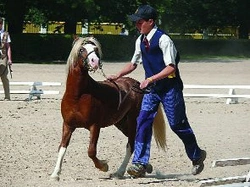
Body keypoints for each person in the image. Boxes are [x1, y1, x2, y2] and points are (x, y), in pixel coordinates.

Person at [108, 5, 206, 177]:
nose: (137, 26)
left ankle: (197, 155)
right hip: (152, 90)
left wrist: (150, 79)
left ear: (150, 21)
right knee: (143, 121)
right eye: (136, 23)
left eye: (139, 22)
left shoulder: (164, 40)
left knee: (177, 125)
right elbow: (133, 63)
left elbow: (171, 68)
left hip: (170, 88)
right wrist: (117, 75)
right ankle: (139, 163)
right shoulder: (140, 40)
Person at [0, 17, 12, 101]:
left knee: (4, 76)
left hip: (2, 56)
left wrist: (9, 59)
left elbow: (8, 47)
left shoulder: (5, 34)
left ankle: (7, 96)